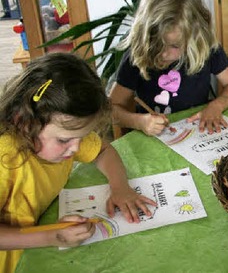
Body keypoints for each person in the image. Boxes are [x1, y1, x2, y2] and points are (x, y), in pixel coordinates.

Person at [0, 53, 157, 273]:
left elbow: (103, 149)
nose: (75, 148)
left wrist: (120, 187)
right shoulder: (5, 157)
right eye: (64, 140)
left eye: (81, 137)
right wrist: (51, 236)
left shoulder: (61, 132)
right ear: (25, 123)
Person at [109, 0, 228, 136]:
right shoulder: (137, 55)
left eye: (175, 46)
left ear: (196, 36)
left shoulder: (205, 47)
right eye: (156, 43)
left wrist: (217, 106)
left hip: (196, 134)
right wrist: (139, 122)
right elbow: (112, 109)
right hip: (153, 138)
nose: (164, 53)